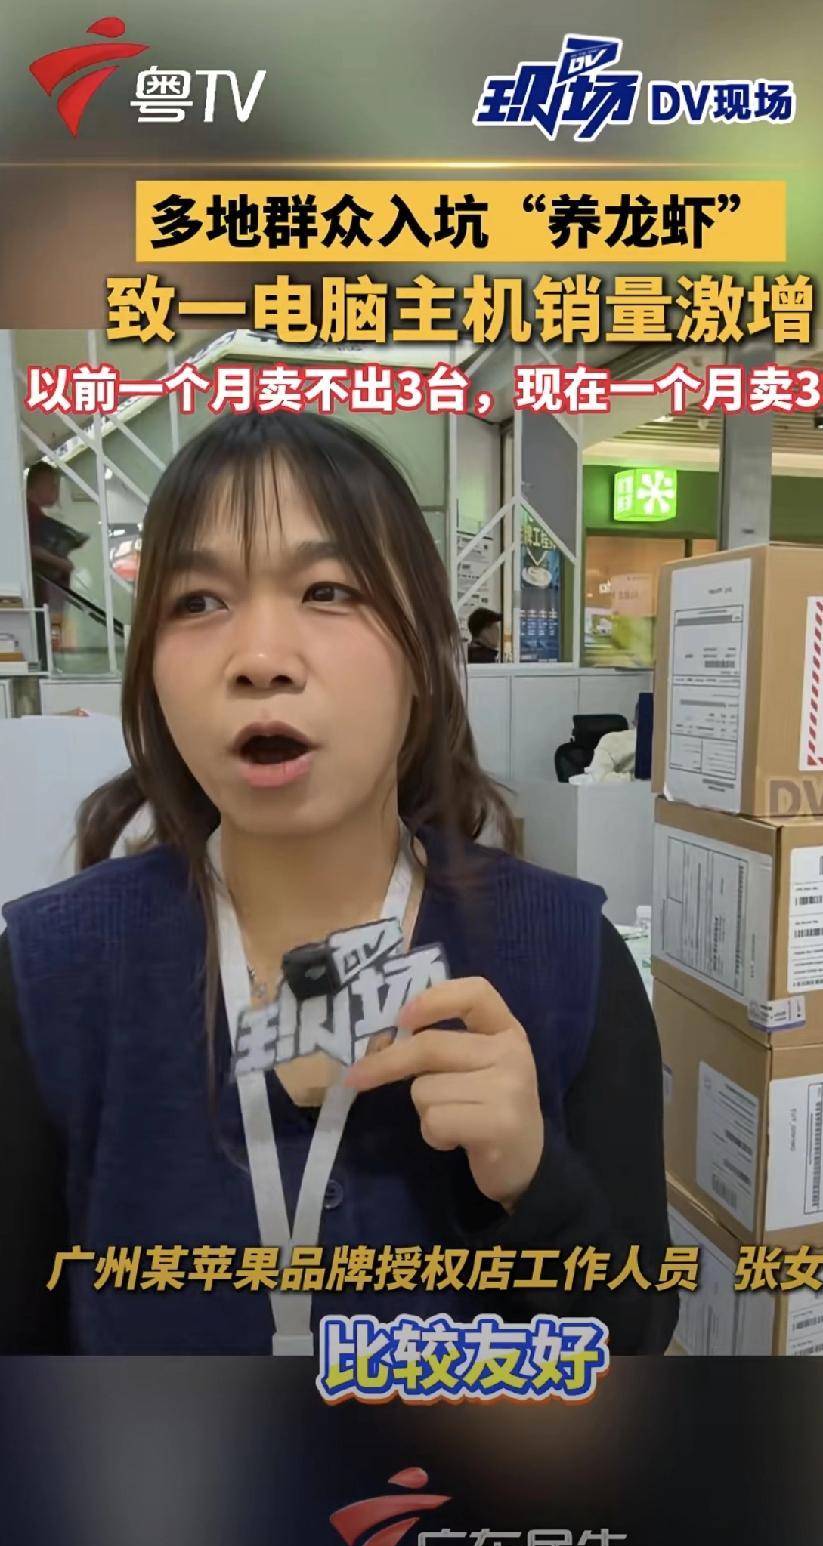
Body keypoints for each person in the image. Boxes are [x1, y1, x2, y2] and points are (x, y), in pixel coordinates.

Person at [0, 411, 676, 1356]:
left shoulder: (568, 956)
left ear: (423, 652)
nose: (260, 659)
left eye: (328, 590)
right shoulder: (51, 973)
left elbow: (633, 1341)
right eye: (198, 601)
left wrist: (534, 1184)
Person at [25, 461, 87, 649]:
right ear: (40, 484)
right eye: (52, 485)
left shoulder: (35, 515)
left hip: (45, 598)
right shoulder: (28, 515)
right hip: (40, 598)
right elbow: (31, 549)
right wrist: (62, 563)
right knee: (44, 648)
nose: (56, 491)